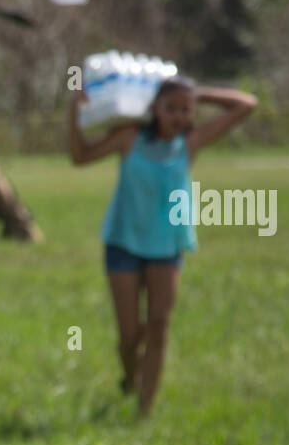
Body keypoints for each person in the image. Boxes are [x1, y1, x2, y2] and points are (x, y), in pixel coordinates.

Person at [69, 76, 256, 417]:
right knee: (129, 337)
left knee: (158, 324)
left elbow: (247, 105)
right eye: (171, 108)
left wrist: (199, 90)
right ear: (154, 108)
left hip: (168, 245)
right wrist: (73, 111)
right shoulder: (129, 138)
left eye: (186, 109)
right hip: (123, 241)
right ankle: (130, 375)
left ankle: (144, 411)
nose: (179, 116)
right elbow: (80, 158)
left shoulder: (192, 142)